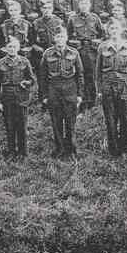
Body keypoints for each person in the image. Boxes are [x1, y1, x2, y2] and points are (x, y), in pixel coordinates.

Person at [95, 21, 127, 156]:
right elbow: (97, 72)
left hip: (125, 86)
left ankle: (126, 149)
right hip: (108, 87)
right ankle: (113, 150)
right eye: (111, 28)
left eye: (117, 28)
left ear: (121, 30)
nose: (114, 30)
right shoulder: (103, 47)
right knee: (110, 119)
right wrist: (99, 90)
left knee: (125, 119)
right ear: (108, 31)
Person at [39, 26, 84, 157]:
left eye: (62, 36)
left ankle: (71, 148)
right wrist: (45, 95)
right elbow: (42, 76)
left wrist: (80, 94)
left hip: (70, 88)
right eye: (58, 36)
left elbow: (80, 75)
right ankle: (59, 148)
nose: (60, 39)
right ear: (54, 38)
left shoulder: (74, 53)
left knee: (70, 121)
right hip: (54, 89)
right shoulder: (47, 53)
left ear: (66, 38)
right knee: (56, 121)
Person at [0, 37, 37, 158]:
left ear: (18, 48)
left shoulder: (25, 61)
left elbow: (32, 80)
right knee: (10, 125)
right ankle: (11, 151)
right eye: (9, 47)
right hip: (7, 96)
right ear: (5, 48)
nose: (12, 49)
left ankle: (23, 152)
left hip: (21, 96)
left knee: (22, 125)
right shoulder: (0, 63)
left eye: (14, 47)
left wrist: (26, 83)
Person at [66, 0, 105, 110]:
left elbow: (102, 35)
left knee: (91, 75)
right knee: (79, 75)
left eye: (86, 4)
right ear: (79, 5)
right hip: (78, 50)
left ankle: (92, 102)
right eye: (82, 4)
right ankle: (81, 101)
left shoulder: (95, 18)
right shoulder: (72, 19)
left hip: (92, 50)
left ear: (90, 5)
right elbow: (67, 37)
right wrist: (73, 44)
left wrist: (98, 42)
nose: (84, 6)